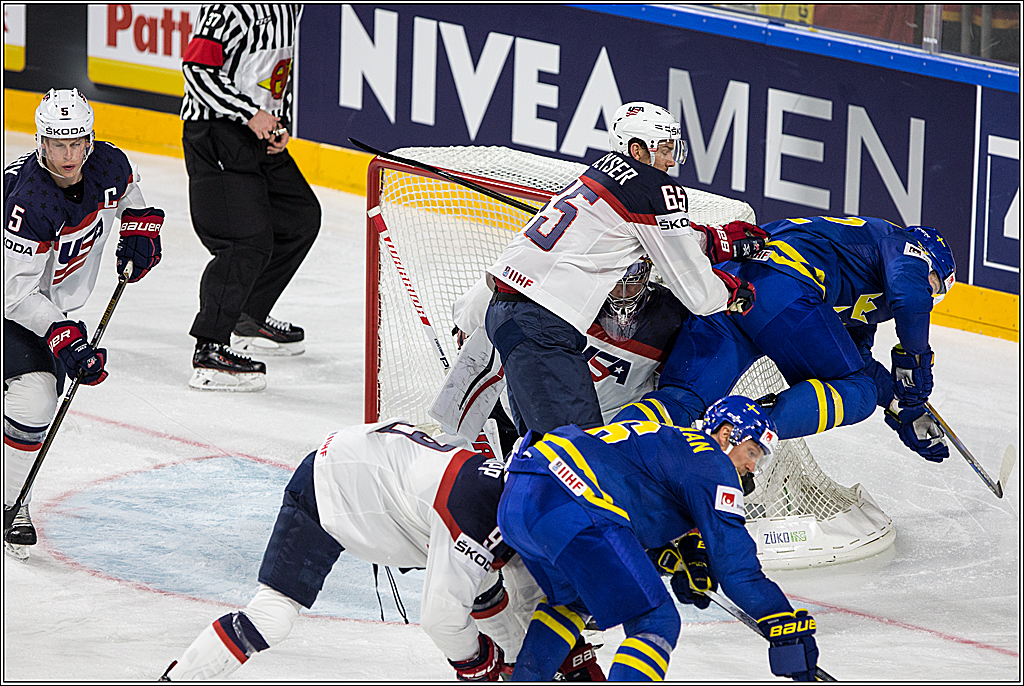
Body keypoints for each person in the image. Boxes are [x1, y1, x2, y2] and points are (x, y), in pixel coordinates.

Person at [159, 422, 603, 681]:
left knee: (485, 584)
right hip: (329, 486)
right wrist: (482, 665)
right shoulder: (473, 516)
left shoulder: (514, 494)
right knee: (270, 618)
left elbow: (521, 596)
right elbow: (441, 619)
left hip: (387, 482)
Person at [457, 101, 765, 439]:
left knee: (539, 455)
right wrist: (732, 291)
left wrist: (711, 238)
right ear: (637, 149)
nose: (671, 160)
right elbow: (699, 294)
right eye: (664, 148)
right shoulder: (656, 190)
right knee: (580, 458)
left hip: (510, 312)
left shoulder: (600, 173)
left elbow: (653, 234)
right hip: (543, 324)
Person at [497, 396, 820, 681]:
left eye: (759, 459)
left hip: (520, 498)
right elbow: (736, 568)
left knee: (572, 602)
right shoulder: (712, 461)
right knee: (656, 621)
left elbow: (630, 498)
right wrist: (781, 621)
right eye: (751, 451)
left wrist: (678, 559)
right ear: (725, 434)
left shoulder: (671, 441)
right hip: (574, 503)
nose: (752, 466)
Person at [619, 216, 955, 463]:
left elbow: (855, 360)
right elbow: (910, 297)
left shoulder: (868, 282)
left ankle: (600, 453)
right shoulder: (900, 244)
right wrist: (915, 362)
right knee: (860, 393)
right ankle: (744, 432)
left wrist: (902, 406)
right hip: (782, 288)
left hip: (728, 289)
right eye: (936, 284)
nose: (931, 293)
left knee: (680, 400)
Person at [3, 88, 163, 560]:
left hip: (38, 300)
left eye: (77, 143)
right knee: (33, 395)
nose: (69, 155)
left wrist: (140, 231)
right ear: (41, 144)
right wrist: (64, 337)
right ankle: (13, 501)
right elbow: (15, 295)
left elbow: (132, 198)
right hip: (13, 296)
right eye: (58, 144)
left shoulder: (108, 166)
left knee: (33, 397)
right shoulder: (30, 200)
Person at [181, 4, 321, 392]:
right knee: (244, 242)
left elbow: (275, 73)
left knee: (299, 217)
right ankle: (210, 350)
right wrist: (249, 113)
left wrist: (280, 120)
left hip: (259, 134)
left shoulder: (292, 8)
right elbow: (197, 72)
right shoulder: (230, 7)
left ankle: (248, 315)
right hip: (216, 133)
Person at [447, 257, 691, 457]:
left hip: (606, 434)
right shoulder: (557, 285)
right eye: (615, 282)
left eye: (633, 284)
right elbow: (470, 318)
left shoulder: (669, 316)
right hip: (522, 411)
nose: (622, 293)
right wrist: (466, 329)